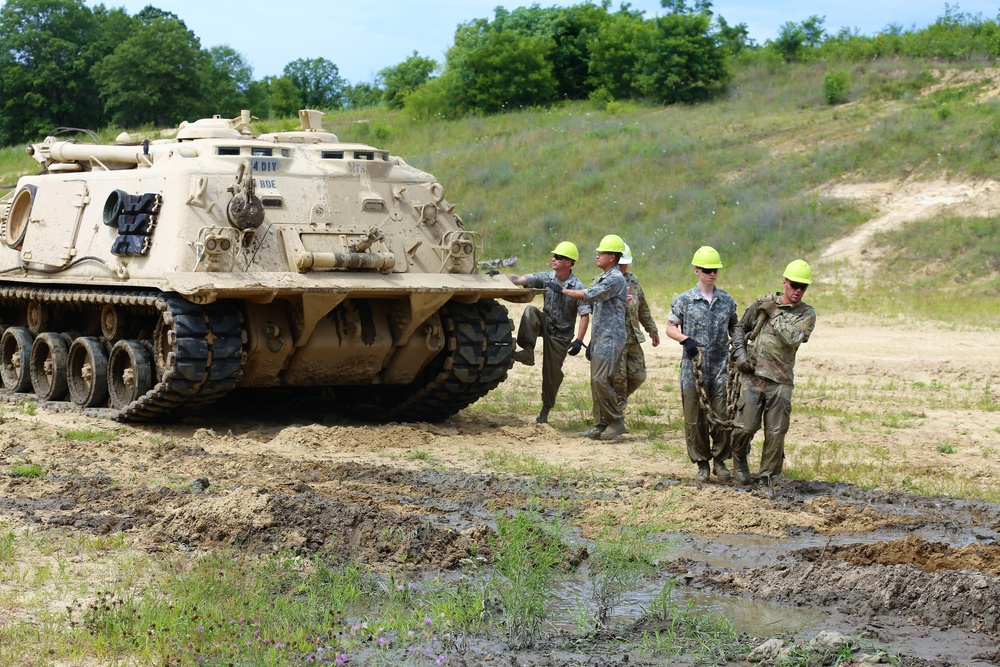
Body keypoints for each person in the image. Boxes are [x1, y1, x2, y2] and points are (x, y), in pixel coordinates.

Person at [730, 259, 817, 486]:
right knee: (746, 426)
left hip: (780, 380)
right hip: (752, 376)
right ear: (785, 282)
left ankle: (767, 477)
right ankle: (739, 457)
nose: (797, 290)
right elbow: (740, 328)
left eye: (803, 287)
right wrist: (740, 354)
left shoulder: (806, 314)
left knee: (776, 432)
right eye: (794, 285)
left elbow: (793, 338)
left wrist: (775, 313)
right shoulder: (763, 304)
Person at [666, 246, 739, 483]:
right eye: (707, 270)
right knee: (694, 417)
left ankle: (720, 460)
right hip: (693, 367)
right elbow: (670, 327)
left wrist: (740, 350)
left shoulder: (726, 300)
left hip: (720, 366)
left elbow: (735, 329)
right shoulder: (684, 300)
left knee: (723, 413)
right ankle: (702, 464)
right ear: (697, 270)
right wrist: (685, 339)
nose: (712, 274)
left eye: (715, 270)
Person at [551, 234, 628, 441]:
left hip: (611, 338)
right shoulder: (606, 277)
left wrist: (563, 290)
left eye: (601, 253)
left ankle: (615, 421)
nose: (597, 256)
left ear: (612, 257)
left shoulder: (614, 278)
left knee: (601, 380)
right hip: (602, 337)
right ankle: (600, 424)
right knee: (596, 382)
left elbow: (590, 295)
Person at [506, 241, 591, 424]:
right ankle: (528, 352)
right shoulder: (548, 277)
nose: (554, 259)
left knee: (551, 375)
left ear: (568, 262)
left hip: (561, 335)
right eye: (554, 256)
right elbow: (522, 279)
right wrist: (498, 277)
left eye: (558, 257)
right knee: (531, 313)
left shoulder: (577, 286)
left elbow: (585, 314)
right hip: (546, 323)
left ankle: (545, 411)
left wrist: (579, 340)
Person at [615, 243, 660, 412]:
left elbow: (642, 307)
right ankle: (613, 417)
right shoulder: (603, 281)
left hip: (633, 337)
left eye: (625, 264)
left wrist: (652, 329)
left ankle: (612, 405)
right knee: (618, 380)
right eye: (620, 264)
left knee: (638, 375)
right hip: (615, 340)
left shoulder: (633, 280)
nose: (623, 267)